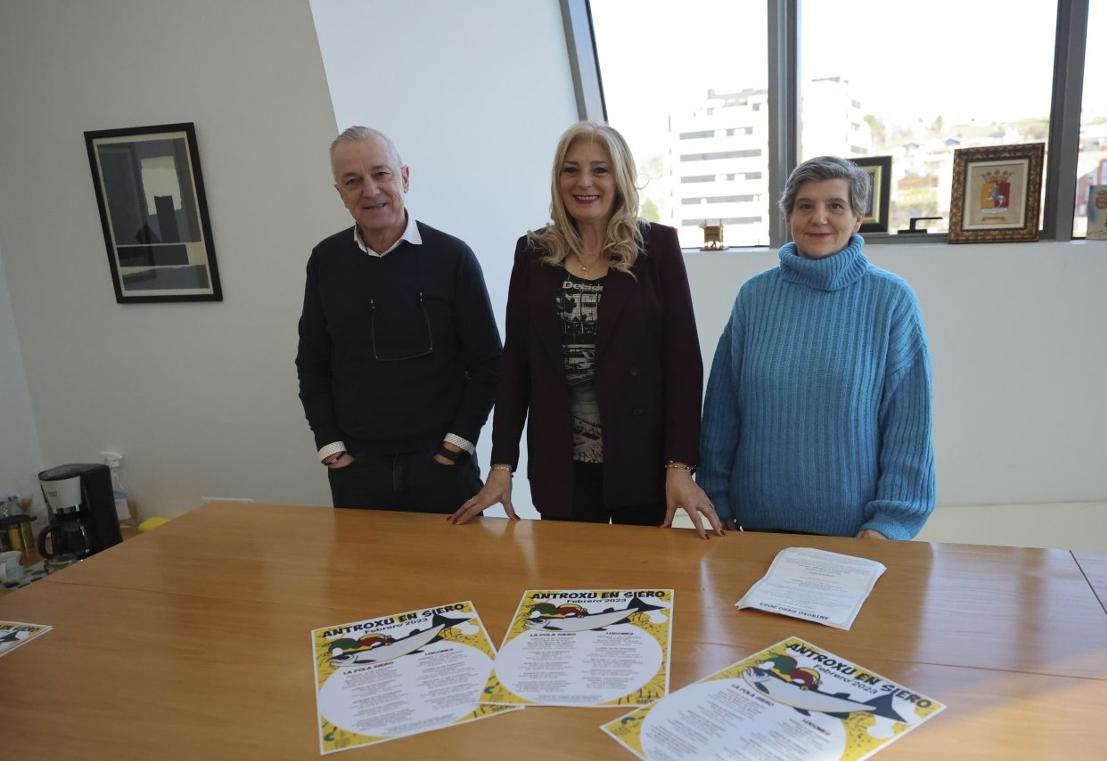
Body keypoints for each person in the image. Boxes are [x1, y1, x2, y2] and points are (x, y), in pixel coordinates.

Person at [450, 122, 722, 537]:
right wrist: (501, 467)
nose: (584, 183)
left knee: (642, 586)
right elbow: (515, 369)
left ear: (620, 178)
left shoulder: (658, 248)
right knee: (566, 591)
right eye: (570, 170)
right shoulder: (533, 252)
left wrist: (680, 466)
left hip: (641, 461)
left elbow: (684, 367)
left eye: (600, 170)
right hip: (562, 465)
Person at [699, 156, 935, 539]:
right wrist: (717, 499)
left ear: (858, 217)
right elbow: (723, 410)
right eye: (805, 205)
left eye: (835, 206)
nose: (819, 218)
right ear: (789, 216)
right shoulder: (755, 297)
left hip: (858, 538)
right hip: (751, 529)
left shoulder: (891, 300)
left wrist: (889, 523)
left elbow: (908, 427)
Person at [296, 126, 501, 513]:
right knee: (366, 575)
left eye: (381, 173)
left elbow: (489, 363)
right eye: (353, 181)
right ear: (340, 193)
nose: (370, 190)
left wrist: (456, 446)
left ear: (404, 177)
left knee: (458, 573)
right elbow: (312, 362)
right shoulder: (326, 261)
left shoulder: (452, 258)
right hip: (357, 473)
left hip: (442, 469)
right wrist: (331, 448)